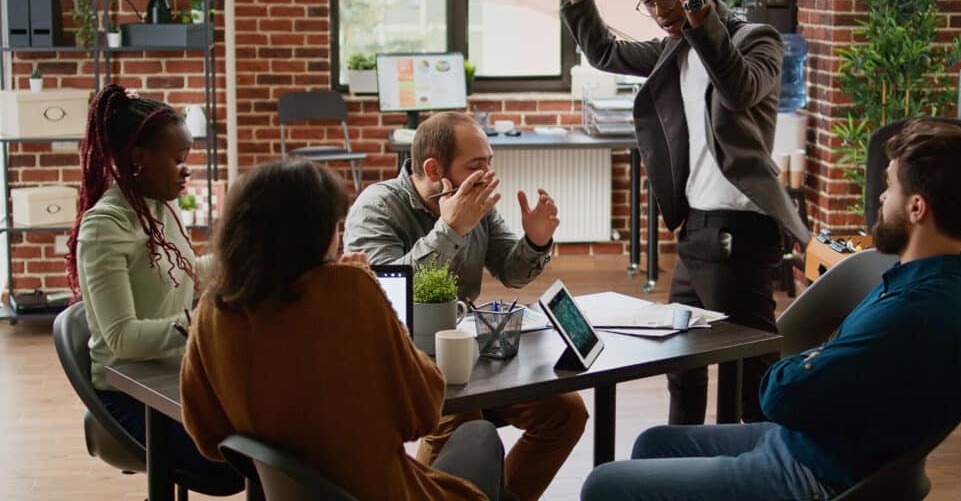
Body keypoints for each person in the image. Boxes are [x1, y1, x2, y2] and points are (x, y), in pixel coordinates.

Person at [580, 119, 961, 500]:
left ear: (916, 208)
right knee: (654, 443)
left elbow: (777, 395)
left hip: (809, 472)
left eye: (890, 188)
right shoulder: (932, 280)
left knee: (603, 485)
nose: (882, 197)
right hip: (808, 440)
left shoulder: (910, 313)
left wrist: (810, 363)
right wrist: (818, 361)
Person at [559, 0, 809, 425]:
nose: (659, 11)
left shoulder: (757, 41)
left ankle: (750, 472)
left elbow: (737, 87)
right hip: (698, 230)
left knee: (749, 374)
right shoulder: (674, 50)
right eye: (648, 2)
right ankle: (681, 461)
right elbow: (604, 51)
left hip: (737, 231)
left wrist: (694, 1)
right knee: (683, 363)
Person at [180, 160, 506, 501]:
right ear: (314, 234)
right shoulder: (348, 290)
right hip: (381, 493)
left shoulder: (213, 311)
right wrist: (370, 290)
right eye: (334, 226)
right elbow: (424, 410)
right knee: (479, 435)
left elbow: (208, 437)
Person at [344, 111, 587, 501]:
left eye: (489, 163)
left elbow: (512, 271)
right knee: (461, 418)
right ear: (434, 167)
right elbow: (389, 295)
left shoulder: (478, 204)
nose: (488, 175)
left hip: (464, 351)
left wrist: (536, 241)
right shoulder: (378, 207)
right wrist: (451, 230)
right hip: (402, 358)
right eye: (476, 165)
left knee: (566, 411)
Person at [66, 83, 242, 492]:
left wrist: (246, 260)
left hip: (168, 372)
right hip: (131, 392)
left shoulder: (159, 206)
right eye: (178, 160)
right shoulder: (105, 227)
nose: (187, 169)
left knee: (274, 429)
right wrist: (202, 323)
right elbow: (122, 339)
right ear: (138, 158)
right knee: (238, 461)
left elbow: (185, 273)